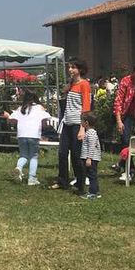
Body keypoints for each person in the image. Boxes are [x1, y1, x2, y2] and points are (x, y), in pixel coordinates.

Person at [51, 59, 91, 191]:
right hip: (66, 123)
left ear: (79, 69)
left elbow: (85, 107)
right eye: (69, 67)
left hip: (76, 124)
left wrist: (82, 128)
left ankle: (80, 183)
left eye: (73, 67)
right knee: (62, 153)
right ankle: (62, 181)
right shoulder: (71, 84)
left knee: (76, 155)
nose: (70, 70)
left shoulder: (84, 84)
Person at [3, 89, 54, 186]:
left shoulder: (21, 108)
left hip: (21, 135)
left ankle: (19, 167)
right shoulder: (40, 108)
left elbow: (12, 121)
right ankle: (32, 178)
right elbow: (44, 123)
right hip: (34, 135)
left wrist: (8, 116)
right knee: (33, 156)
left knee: (23, 155)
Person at [78, 111, 102, 199]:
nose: (80, 122)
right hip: (89, 157)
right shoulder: (89, 132)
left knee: (92, 175)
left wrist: (89, 158)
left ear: (86, 123)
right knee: (91, 174)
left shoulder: (91, 133)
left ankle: (93, 192)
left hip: (91, 158)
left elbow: (92, 146)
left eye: (82, 120)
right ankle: (96, 191)